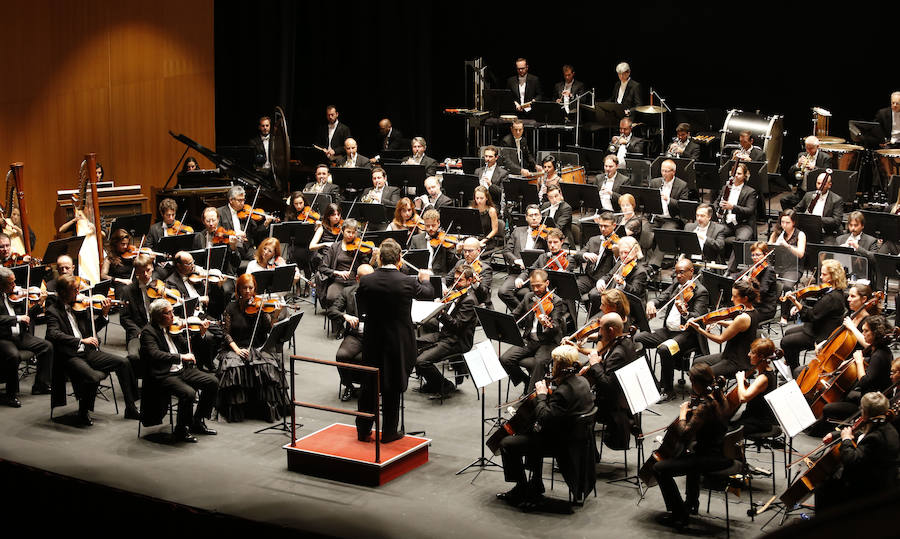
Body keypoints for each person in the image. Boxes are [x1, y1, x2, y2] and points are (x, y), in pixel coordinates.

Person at [496, 344, 593, 509]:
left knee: (507, 443)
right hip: (579, 437)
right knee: (533, 431)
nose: (551, 366)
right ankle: (536, 482)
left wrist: (541, 396)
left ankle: (522, 487)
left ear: (560, 365)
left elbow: (545, 417)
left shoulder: (563, 391)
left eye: (554, 363)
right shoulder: (582, 381)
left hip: (562, 443)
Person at [355, 238, 434, 443]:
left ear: (379, 258)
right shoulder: (407, 281)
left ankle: (363, 430)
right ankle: (389, 431)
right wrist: (425, 279)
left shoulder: (366, 280)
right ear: (400, 259)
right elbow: (428, 294)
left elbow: (361, 304)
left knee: (369, 385)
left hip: (373, 339)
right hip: (398, 341)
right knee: (392, 385)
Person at [45, 274, 140, 425]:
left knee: (123, 363)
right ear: (63, 292)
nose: (79, 293)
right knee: (94, 377)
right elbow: (53, 333)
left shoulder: (80, 307)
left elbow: (93, 330)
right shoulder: (53, 311)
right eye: (74, 290)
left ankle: (130, 408)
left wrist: (104, 314)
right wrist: (80, 340)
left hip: (88, 352)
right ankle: (83, 411)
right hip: (70, 356)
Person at [652, 364, 730, 531]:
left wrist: (682, 414)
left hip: (710, 458)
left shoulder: (706, 406)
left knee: (659, 468)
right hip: (723, 452)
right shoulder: (721, 397)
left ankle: (680, 515)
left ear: (696, 383)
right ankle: (691, 503)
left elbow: (685, 434)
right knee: (691, 451)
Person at [140, 298, 218, 442]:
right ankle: (181, 429)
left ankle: (197, 421)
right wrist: (181, 357)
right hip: (164, 374)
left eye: (172, 312)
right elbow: (155, 354)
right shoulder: (148, 332)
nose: (173, 316)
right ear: (158, 316)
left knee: (212, 382)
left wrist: (200, 333)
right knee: (188, 393)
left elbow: (189, 348)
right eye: (168, 313)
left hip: (182, 370)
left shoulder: (173, 328)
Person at [215, 273, 289, 422]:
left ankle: (262, 410)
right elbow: (226, 334)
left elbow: (268, 329)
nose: (248, 291)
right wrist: (237, 350)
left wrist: (275, 315)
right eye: (244, 288)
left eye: (251, 288)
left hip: (256, 347)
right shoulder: (231, 307)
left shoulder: (260, 306)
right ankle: (239, 411)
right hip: (234, 347)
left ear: (255, 288)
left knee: (268, 366)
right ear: (239, 289)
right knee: (234, 367)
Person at [637, 259, 709, 400]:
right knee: (638, 339)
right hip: (669, 331)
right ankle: (652, 380)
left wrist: (685, 313)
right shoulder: (677, 284)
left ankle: (668, 390)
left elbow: (698, 317)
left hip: (687, 334)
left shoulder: (701, 291)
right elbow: (663, 297)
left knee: (665, 349)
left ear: (691, 272)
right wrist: (652, 302)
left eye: (681, 272)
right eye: (676, 273)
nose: (678, 276)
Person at [814, 391, 899, 513]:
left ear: (865, 412)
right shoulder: (885, 426)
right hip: (885, 480)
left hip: (870, 487)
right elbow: (859, 432)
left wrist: (846, 439)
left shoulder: (875, 437)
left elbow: (851, 460)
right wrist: (836, 435)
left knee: (822, 486)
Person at [500, 269, 567, 393]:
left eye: (539, 286)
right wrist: (503, 321)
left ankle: (531, 397)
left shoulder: (556, 301)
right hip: (530, 339)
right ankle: (526, 381)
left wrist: (547, 325)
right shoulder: (529, 297)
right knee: (505, 359)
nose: (535, 289)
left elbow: (556, 326)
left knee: (539, 363)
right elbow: (516, 314)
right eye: (533, 286)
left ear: (547, 283)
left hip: (548, 342)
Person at [416, 265, 477, 397]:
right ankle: (432, 383)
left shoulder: (470, 301)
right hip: (445, 335)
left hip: (456, 340)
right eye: (455, 279)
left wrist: (441, 312)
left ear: (470, 281)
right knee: (412, 345)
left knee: (422, 361)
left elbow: (457, 326)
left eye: (459, 280)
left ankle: (445, 385)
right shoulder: (455, 294)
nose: (456, 282)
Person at [821, 315, 893, 423]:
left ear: (876, 333)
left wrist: (859, 361)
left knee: (828, 408)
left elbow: (864, 382)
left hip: (869, 405)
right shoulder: (881, 350)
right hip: (869, 397)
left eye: (866, 331)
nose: (863, 333)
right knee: (846, 396)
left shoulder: (879, 355)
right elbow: (872, 363)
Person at [581, 312, 636, 450]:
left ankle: (589, 456)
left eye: (600, 329)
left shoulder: (618, 353)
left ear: (611, 331)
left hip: (614, 404)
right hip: (623, 395)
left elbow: (607, 385)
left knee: (577, 409)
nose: (599, 333)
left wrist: (594, 364)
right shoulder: (626, 341)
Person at [780, 259, 847, 370]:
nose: (820, 277)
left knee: (786, 342)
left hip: (821, 334)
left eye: (824, 274)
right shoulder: (832, 290)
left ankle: (794, 371)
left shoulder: (832, 298)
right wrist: (799, 308)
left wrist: (796, 303)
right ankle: (793, 363)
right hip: (818, 325)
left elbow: (810, 316)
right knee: (788, 332)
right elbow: (819, 311)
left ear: (833, 276)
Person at [0, 267, 54, 404]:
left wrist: (40, 303)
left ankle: (41, 385)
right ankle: (10, 394)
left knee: (47, 346)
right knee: (14, 356)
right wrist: (17, 318)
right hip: (4, 337)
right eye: (10, 283)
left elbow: (28, 315)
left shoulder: (13, 295)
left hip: (20, 335)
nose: (14, 286)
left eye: (14, 282)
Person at [690, 278, 760, 379]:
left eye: (735, 296)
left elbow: (720, 339)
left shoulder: (742, 318)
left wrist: (700, 330)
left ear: (745, 298)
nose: (732, 299)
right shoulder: (753, 311)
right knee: (697, 362)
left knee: (701, 375)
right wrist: (720, 321)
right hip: (730, 355)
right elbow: (739, 326)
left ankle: (710, 393)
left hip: (737, 362)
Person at [327, 264, 374, 402]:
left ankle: (374, 388)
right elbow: (332, 310)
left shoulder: (380, 292)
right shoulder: (348, 292)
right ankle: (348, 385)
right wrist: (344, 316)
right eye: (367, 279)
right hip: (356, 335)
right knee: (341, 355)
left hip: (375, 336)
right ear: (358, 278)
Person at [317, 218, 373, 313]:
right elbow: (322, 267)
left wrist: (374, 256)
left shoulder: (359, 247)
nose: (351, 235)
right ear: (342, 231)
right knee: (331, 297)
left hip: (355, 282)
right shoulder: (335, 247)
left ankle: (351, 325)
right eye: (348, 232)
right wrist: (337, 272)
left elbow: (366, 266)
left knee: (354, 300)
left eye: (353, 232)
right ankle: (337, 325)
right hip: (338, 281)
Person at [499, 204, 548, 311]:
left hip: (536, 275)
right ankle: (523, 315)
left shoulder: (546, 234)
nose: (534, 218)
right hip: (517, 272)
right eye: (531, 215)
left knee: (534, 295)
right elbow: (506, 251)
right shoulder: (517, 231)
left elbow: (550, 253)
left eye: (536, 215)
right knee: (503, 292)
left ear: (541, 217)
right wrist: (516, 260)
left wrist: (546, 240)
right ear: (526, 217)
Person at [729, 337, 778, 436]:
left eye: (752, 353)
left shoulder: (763, 378)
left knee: (726, 431)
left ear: (761, 357)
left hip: (759, 421)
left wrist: (740, 380)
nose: (749, 354)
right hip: (754, 415)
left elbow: (743, 398)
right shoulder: (767, 369)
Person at [715, 162, 758, 272]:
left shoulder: (750, 191)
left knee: (741, 240)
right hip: (727, 223)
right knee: (713, 234)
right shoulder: (726, 187)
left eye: (739, 174)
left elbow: (749, 210)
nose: (735, 176)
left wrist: (732, 207)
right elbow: (716, 202)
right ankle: (720, 267)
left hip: (743, 224)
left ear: (745, 175)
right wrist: (717, 206)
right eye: (734, 173)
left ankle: (730, 270)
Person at [590, 235, 647, 315]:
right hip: (613, 298)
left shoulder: (641, 271)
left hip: (626, 305)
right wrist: (601, 281)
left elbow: (635, 291)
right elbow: (609, 275)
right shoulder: (621, 262)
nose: (623, 256)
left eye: (626, 252)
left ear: (635, 251)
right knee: (593, 294)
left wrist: (623, 284)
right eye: (621, 252)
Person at [646, 159, 688, 268]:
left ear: (673, 172)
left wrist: (668, 200)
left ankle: (653, 265)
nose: (664, 173)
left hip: (672, 219)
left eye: (667, 171)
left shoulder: (682, 185)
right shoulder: (655, 182)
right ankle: (644, 262)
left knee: (665, 234)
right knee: (644, 231)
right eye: (662, 171)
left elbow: (682, 206)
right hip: (656, 217)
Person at [119, 254, 155, 378]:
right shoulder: (127, 291)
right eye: (141, 272)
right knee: (133, 356)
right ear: (136, 273)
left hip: (158, 331)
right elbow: (125, 318)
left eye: (148, 270)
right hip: (138, 332)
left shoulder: (161, 287)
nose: (145, 274)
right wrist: (139, 332)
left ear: (152, 268)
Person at [793, 170, 844, 244]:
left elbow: (837, 220)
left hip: (826, 232)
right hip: (807, 230)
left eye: (823, 184)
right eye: (818, 183)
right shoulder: (808, 195)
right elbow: (796, 209)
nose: (820, 186)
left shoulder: (836, 199)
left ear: (829, 185)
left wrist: (816, 220)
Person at [409, 209, 458, 276]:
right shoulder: (416, 239)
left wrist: (455, 250)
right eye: (428, 226)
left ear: (438, 223)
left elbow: (452, 264)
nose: (431, 228)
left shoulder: (445, 240)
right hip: (421, 275)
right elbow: (412, 261)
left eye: (433, 225)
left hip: (439, 276)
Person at [448, 237, 493, 308]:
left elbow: (484, 294)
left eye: (470, 251)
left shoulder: (485, 269)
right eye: (465, 251)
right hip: (460, 300)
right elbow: (448, 278)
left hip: (477, 304)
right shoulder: (460, 263)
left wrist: (476, 283)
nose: (466, 254)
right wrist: (443, 285)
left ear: (478, 250)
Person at [744, 242, 778, 322]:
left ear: (765, 254)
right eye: (753, 255)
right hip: (754, 304)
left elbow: (762, 291)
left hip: (764, 308)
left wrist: (750, 283)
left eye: (757, 255)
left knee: (741, 317)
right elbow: (738, 275)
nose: (754, 257)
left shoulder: (769, 271)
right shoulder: (754, 267)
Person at [101, 228, 135, 299]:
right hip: (120, 286)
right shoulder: (109, 259)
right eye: (122, 244)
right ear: (115, 243)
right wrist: (120, 280)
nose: (125, 247)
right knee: (125, 290)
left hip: (132, 283)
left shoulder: (131, 255)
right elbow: (103, 276)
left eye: (127, 244)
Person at [470, 185, 501, 251]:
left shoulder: (491, 210)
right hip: (474, 240)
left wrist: (483, 241)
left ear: (487, 198)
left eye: (481, 198)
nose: (479, 201)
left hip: (487, 241)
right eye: (477, 198)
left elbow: (495, 230)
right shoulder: (471, 209)